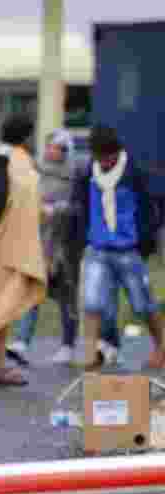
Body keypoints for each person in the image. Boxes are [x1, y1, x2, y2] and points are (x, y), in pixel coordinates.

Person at [74, 125, 165, 370]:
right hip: (97, 250)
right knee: (92, 302)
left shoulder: (135, 173)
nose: (104, 162)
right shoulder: (87, 174)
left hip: (128, 250)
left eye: (108, 157)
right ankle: (90, 354)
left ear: (117, 153)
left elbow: (152, 211)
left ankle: (161, 347)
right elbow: (80, 207)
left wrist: (143, 242)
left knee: (143, 304)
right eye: (99, 157)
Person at [0, 115, 46, 386]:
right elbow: (29, 207)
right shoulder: (20, 162)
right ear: (26, 137)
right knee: (2, 307)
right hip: (9, 248)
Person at [8, 129, 83, 365]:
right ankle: (21, 342)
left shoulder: (75, 177)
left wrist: (58, 209)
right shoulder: (36, 172)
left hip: (65, 247)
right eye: (50, 146)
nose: (52, 151)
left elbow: (79, 209)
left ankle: (68, 345)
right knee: (32, 292)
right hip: (39, 244)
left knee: (66, 297)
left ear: (66, 151)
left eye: (58, 148)